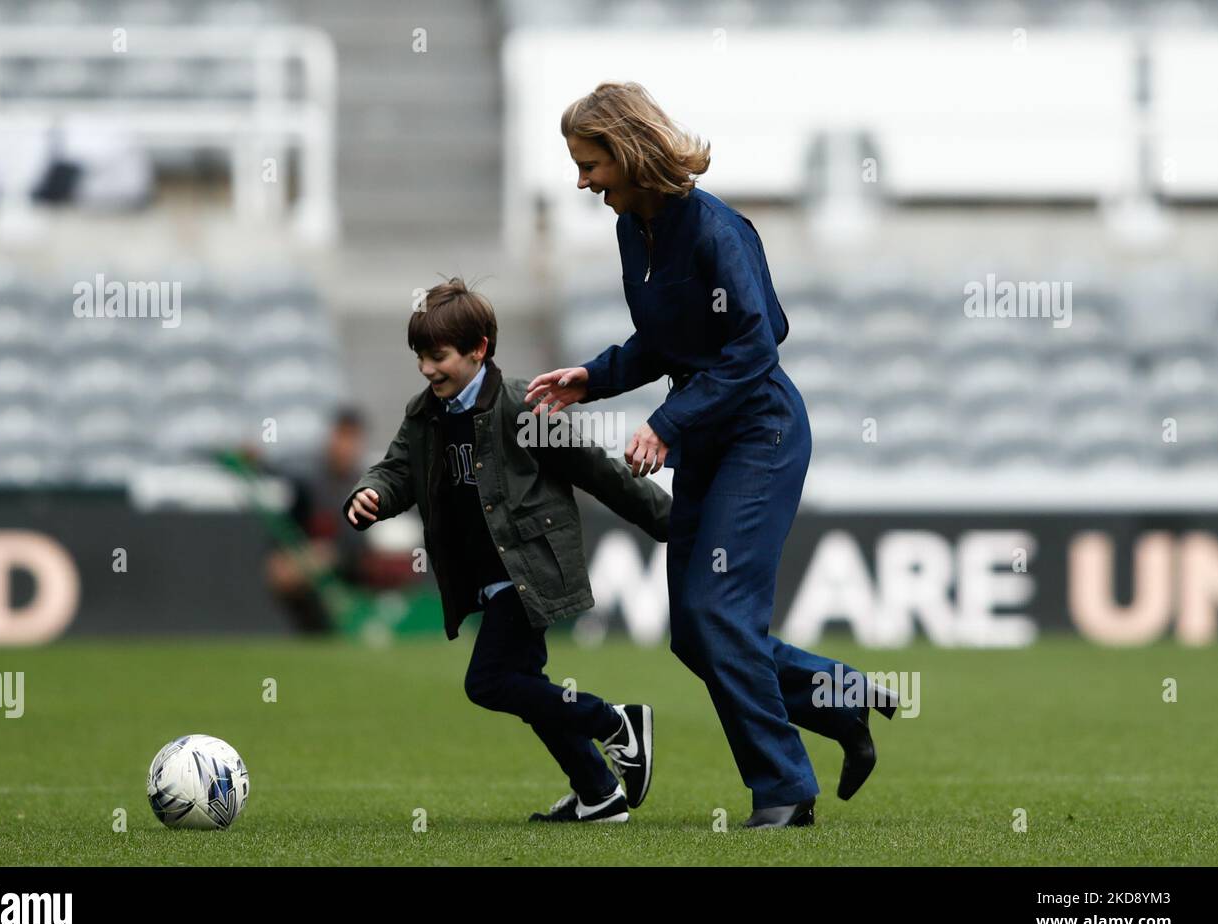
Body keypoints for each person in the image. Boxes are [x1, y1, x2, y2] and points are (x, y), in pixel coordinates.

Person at [525, 82, 898, 830]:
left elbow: (759, 343)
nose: (583, 181)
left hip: (759, 435)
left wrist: (666, 422)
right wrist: (594, 379)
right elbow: (665, 342)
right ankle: (840, 695)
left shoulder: (718, 229)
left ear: (628, 152)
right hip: (707, 436)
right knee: (695, 632)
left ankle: (786, 792)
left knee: (715, 610)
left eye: (590, 163)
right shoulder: (637, 228)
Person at [344, 277, 672, 823]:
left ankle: (615, 723)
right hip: (487, 578)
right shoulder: (425, 412)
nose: (427, 368)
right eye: (420, 357)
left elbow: (601, 472)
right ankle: (599, 793)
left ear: (479, 350)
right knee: (526, 686)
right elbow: (398, 469)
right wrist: (371, 493)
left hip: (530, 572)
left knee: (489, 682)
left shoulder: (524, 406)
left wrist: (676, 525)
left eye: (438, 356)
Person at [265, 408, 372, 633]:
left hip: (351, 567)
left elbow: (361, 541)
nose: (344, 446)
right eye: (340, 436)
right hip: (311, 565)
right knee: (282, 570)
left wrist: (329, 554)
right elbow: (289, 527)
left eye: (351, 438)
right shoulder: (310, 484)